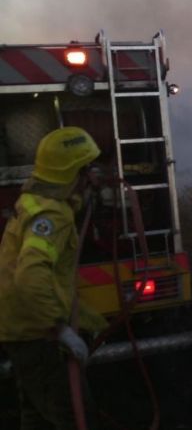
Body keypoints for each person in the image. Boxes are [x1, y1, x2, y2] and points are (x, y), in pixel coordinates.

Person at [0, 126, 108, 429]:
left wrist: (86, 192)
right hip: (37, 334)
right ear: (75, 171)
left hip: (19, 326)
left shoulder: (40, 199)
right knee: (74, 417)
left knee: (37, 415)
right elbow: (30, 276)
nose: (93, 172)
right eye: (87, 167)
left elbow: (61, 202)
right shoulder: (52, 216)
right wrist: (59, 329)